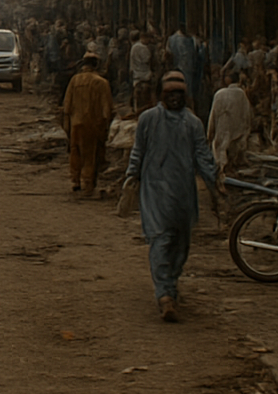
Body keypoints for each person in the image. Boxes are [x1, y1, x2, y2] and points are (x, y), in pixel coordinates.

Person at [124, 71, 219, 322]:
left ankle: (171, 283)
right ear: (162, 95)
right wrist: (131, 176)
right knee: (160, 240)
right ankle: (164, 294)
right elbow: (138, 151)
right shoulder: (148, 119)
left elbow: (203, 156)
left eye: (179, 94)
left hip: (183, 194)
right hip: (154, 191)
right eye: (171, 94)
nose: (175, 99)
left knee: (181, 242)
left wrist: (215, 183)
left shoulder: (193, 123)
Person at [61, 52, 113, 195]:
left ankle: (75, 180)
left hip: (75, 123)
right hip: (93, 125)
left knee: (75, 152)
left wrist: (66, 125)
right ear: (96, 64)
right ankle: (88, 184)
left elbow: (67, 106)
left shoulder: (74, 81)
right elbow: (106, 108)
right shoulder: (101, 83)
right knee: (90, 155)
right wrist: (106, 126)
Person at [206, 69, 252, 183]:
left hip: (222, 131)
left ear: (228, 79)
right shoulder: (242, 94)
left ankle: (222, 173)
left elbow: (213, 115)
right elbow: (247, 114)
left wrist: (209, 134)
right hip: (237, 131)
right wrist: (246, 130)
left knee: (220, 151)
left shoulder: (220, 94)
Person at [129, 30, 154, 112]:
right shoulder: (142, 47)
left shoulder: (134, 46)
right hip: (144, 75)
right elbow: (146, 59)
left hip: (136, 75)